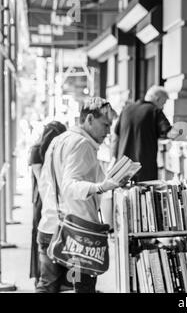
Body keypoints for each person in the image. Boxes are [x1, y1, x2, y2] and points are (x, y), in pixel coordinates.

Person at [36, 97, 124, 293]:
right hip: (76, 233)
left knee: (47, 287)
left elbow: (45, 183)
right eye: (105, 124)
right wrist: (101, 187)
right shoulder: (81, 144)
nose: (109, 131)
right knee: (83, 289)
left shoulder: (59, 140)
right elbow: (70, 185)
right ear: (90, 119)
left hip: (50, 226)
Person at [28, 121, 67, 286]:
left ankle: (51, 278)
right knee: (45, 236)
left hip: (50, 201)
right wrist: (52, 206)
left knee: (52, 237)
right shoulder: (38, 151)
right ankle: (45, 277)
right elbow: (42, 183)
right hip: (45, 201)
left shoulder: (39, 149)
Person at [112, 86, 177, 182]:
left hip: (123, 167)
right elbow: (170, 133)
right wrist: (181, 132)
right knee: (145, 195)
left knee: (123, 195)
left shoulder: (126, 109)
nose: (163, 107)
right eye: (163, 103)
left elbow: (115, 137)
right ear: (157, 99)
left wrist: (115, 159)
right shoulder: (154, 110)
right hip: (144, 169)